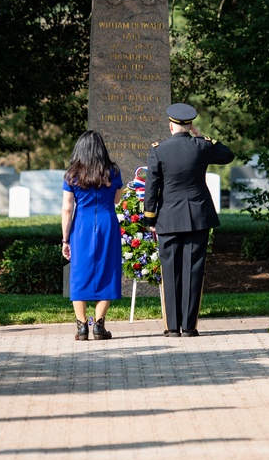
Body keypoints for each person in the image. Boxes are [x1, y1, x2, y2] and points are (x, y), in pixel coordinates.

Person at [144, 103, 234, 336]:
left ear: (171, 125)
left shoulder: (158, 149)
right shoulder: (201, 146)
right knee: (193, 270)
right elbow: (227, 155)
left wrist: (150, 217)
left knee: (170, 271)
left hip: (168, 217)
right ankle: (190, 326)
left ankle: (172, 327)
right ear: (189, 125)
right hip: (197, 217)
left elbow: (152, 186)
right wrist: (202, 136)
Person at [60, 130, 123, 340]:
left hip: (82, 225)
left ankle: (81, 326)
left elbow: (67, 208)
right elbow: (116, 200)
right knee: (108, 270)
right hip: (107, 221)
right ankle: (98, 326)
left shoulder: (71, 174)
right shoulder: (113, 171)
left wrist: (65, 239)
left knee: (79, 272)